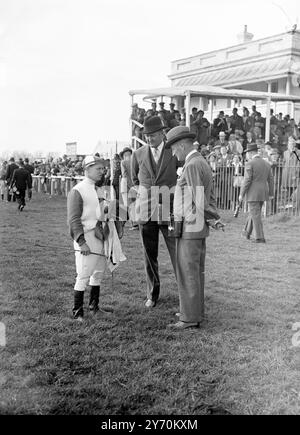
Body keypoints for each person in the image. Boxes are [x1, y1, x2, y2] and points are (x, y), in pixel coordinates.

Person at [164, 126, 221, 330]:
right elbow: (208, 197)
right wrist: (212, 219)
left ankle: (189, 318)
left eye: (173, 148)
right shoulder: (199, 162)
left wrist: (213, 217)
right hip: (195, 225)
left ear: (181, 145)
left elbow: (199, 199)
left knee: (188, 271)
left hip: (190, 226)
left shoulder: (192, 165)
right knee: (195, 271)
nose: (172, 153)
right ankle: (193, 311)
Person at [131, 116, 179, 308]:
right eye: (147, 135)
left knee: (177, 253)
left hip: (170, 211)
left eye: (153, 135)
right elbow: (136, 180)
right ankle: (153, 294)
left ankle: (184, 294)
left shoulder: (173, 152)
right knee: (149, 255)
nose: (150, 138)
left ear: (162, 133)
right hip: (146, 211)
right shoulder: (138, 154)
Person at [67, 156, 109, 321]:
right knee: (84, 274)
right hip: (86, 237)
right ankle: (77, 312)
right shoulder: (78, 190)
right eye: (98, 168)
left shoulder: (98, 189)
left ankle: (94, 306)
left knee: (98, 272)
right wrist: (81, 242)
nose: (102, 171)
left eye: (102, 168)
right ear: (87, 169)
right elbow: (73, 219)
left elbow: (101, 212)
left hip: (100, 235)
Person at [239, 143, 274, 243]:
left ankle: (260, 237)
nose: (247, 155)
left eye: (247, 153)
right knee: (254, 213)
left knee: (255, 215)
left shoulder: (250, 163)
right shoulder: (267, 163)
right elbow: (271, 180)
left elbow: (247, 180)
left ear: (251, 153)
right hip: (263, 192)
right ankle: (246, 232)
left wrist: (241, 194)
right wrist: (271, 193)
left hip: (253, 193)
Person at [120, 146, 138, 230]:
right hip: (133, 185)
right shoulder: (135, 161)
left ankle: (132, 223)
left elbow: (124, 175)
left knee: (128, 205)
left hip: (126, 185)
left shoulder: (123, 162)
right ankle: (135, 223)